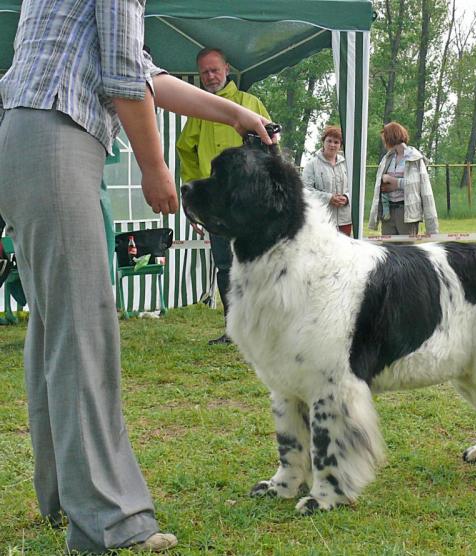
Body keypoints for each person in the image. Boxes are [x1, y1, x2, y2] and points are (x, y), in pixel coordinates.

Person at [0, 2, 272, 553]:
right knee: (82, 328)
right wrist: (154, 166)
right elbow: (125, 74)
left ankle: (63, 497)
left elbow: (145, 73)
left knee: (54, 328)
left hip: (27, 134)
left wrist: (233, 113)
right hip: (58, 135)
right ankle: (109, 519)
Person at [177, 48, 271, 345]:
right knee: (224, 264)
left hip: (250, 202)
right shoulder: (198, 111)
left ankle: (264, 329)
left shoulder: (250, 103)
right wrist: (194, 192)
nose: (210, 76)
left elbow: (270, 144)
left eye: (215, 70)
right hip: (217, 205)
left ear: (227, 69)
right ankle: (233, 330)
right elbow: (184, 149)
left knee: (258, 263)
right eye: (205, 72)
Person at [368, 122, 439, 236]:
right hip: (388, 212)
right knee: (389, 251)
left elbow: (424, 190)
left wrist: (395, 183)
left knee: (407, 251)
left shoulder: (415, 158)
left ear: (391, 137)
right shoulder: (387, 159)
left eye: (385, 137)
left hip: (407, 214)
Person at [301, 125, 352, 236]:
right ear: (323, 142)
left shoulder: (347, 164)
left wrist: (347, 198)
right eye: (329, 141)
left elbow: (355, 188)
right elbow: (305, 191)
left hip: (345, 220)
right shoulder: (312, 165)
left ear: (340, 145)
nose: (332, 145)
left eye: (336, 142)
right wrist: (328, 198)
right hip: (322, 220)